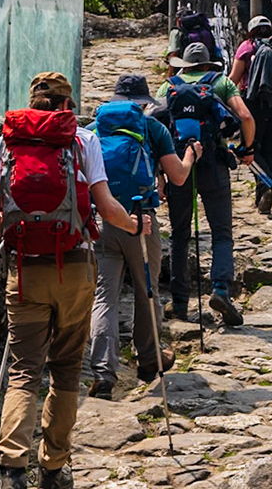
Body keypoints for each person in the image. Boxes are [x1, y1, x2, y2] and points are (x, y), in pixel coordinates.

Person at [0, 71, 137, 489]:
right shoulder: (83, 141)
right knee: (66, 369)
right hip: (75, 268)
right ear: (69, 104)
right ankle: (52, 465)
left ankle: (13, 465)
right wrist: (135, 226)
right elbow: (105, 206)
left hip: (26, 273)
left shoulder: (5, 143)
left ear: (31, 102)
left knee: (23, 370)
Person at [87, 74, 197, 400]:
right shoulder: (152, 128)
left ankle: (102, 373)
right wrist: (191, 156)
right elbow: (177, 176)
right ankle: (149, 359)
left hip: (103, 220)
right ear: (143, 102)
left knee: (104, 296)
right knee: (145, 291)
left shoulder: (95, 130)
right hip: (141, 221)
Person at [158, 41, 255, 327]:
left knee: (179, 234)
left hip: (179, 164)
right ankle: (221, 290)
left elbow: (157, 128)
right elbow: (246, 117)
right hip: (213, 161)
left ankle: (178, 303)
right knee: (222, 232)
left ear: (185, 65)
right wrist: (248, 149)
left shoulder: (169, 86)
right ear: (208, 64)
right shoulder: (221, 82)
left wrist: (160, 175)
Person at [229, 16, 272, 216]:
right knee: (269, 148)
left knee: (249, 148)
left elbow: (234, 78)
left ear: (251, 30)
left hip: (254, 104)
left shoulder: (247, 47)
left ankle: (266, 184)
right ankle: (263, 195)